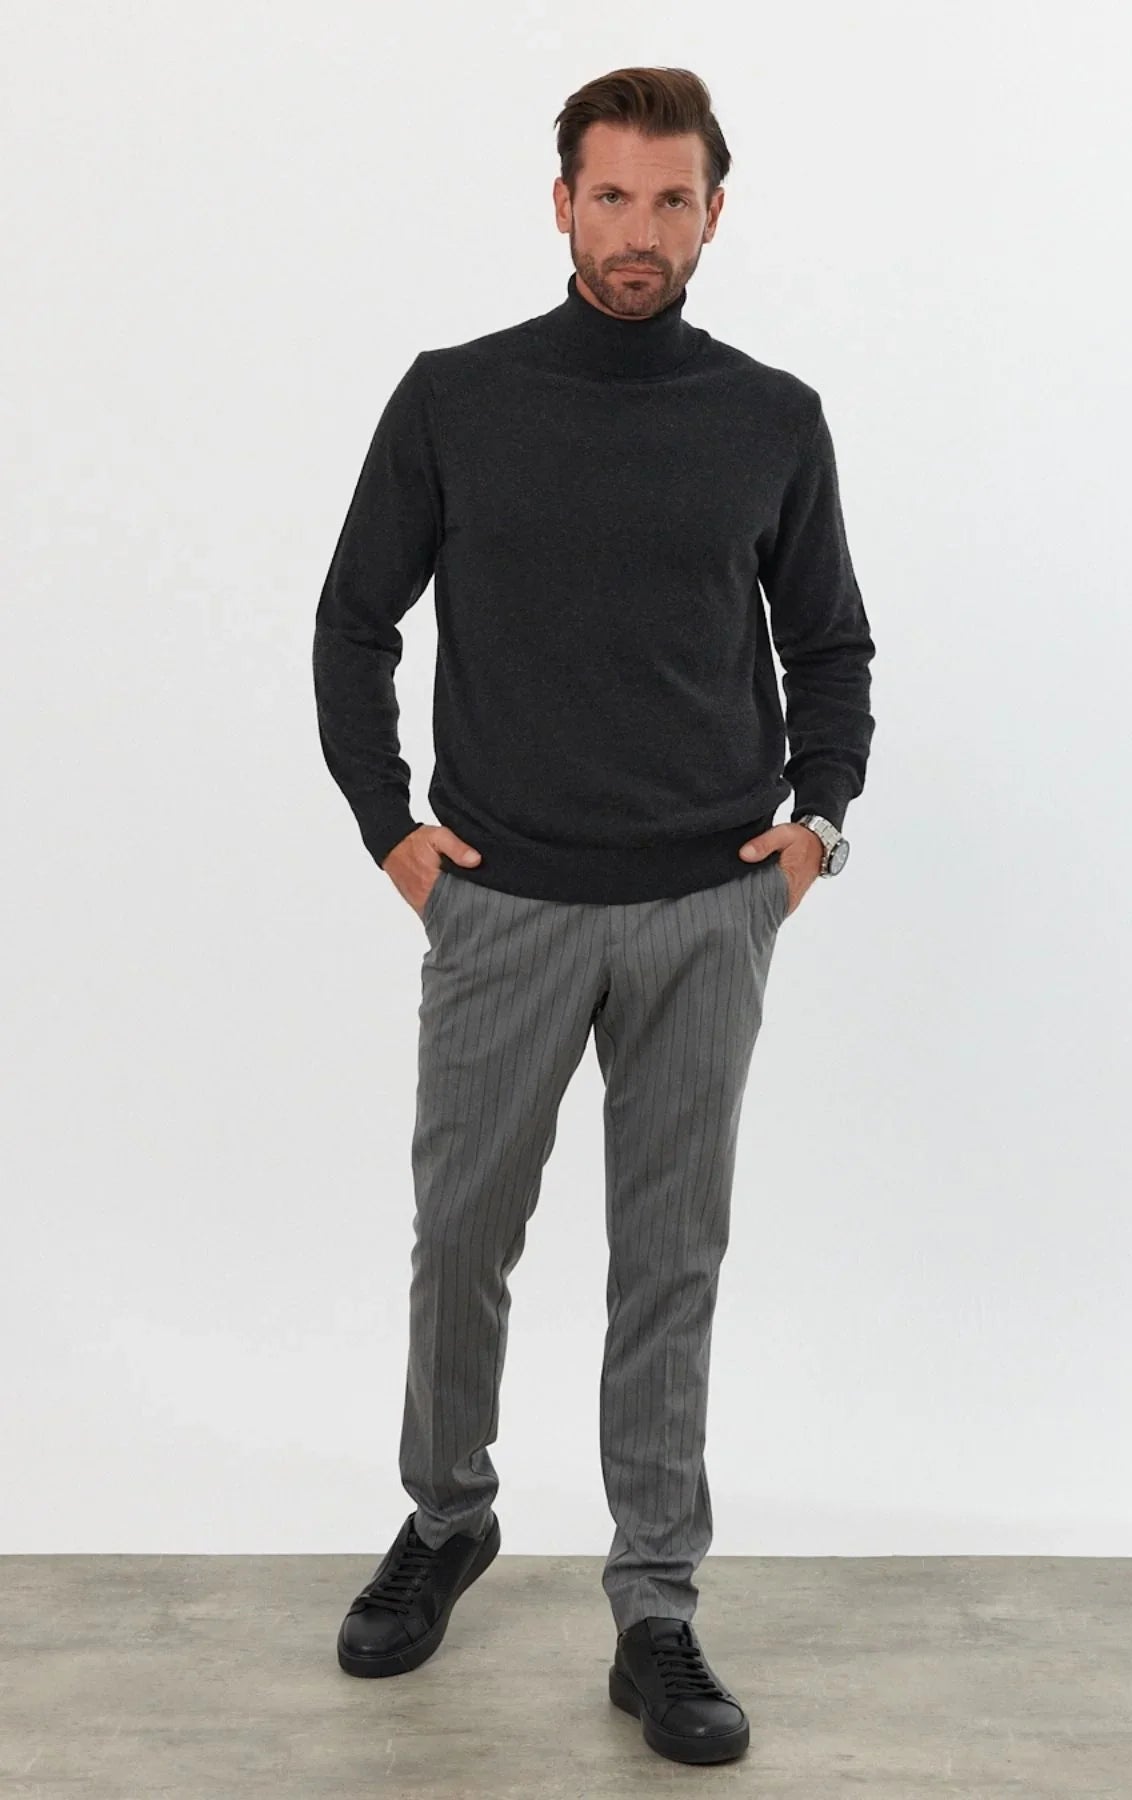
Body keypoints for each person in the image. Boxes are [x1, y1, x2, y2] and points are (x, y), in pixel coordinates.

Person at [313, 64, 875, 1768]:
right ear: (561, 204)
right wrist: (396, 836)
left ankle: (656, 1607)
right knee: (462, 1232)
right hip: (504, 904)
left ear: (715, 213)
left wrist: (814, 832)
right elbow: (352, 622)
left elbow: (830, 643)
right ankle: (447, 1515)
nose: (640, 231)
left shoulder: (771, 417)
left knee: (669, 1260)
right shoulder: (456, 399)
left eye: (671, 200)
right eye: (612, 196)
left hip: (708, 906)